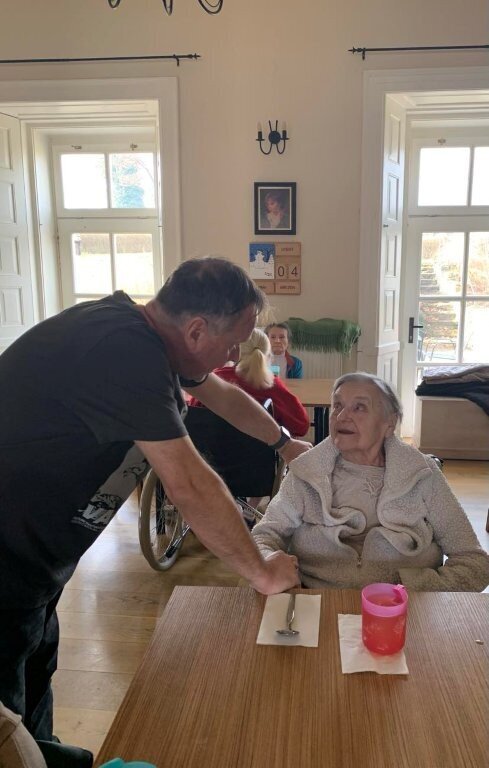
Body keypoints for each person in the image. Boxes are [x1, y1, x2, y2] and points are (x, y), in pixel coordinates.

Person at [0, 257, 310, 762]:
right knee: (6, 729)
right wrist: (261, 570)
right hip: (7, 558)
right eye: (233, 342)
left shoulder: (151, 340)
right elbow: (188, 482)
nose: (236, 355)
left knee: (34, 678)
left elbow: (224, 397)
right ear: (196, 330)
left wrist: (284, 443)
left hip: (35, 559)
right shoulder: (123, 351)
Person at [252, 372, 489, 592]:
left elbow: (474, 562)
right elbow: (263, 537)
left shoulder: (422, 474)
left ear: (389, 423)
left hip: (404, 607)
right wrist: (273, 568)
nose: (341, 417)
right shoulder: (307, 472)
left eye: (359, 407)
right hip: (318, 601)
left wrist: (416, 591)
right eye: (338, 406)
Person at [189, 328, 309, 437]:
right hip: (260, 453)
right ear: (267, 353)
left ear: (235, 351)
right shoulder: (273, 385)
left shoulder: (213, 380)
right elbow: (301, 425)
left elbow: (194, 414)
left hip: (211, 452)